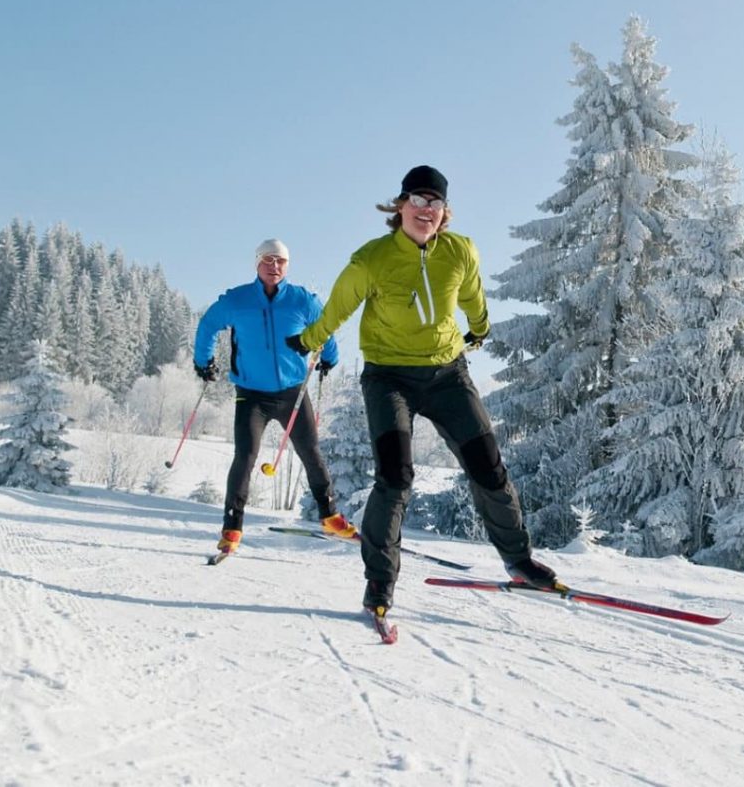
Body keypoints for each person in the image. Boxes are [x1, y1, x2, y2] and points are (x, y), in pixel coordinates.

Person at [288, 166, 557, 613]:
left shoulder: (460, 251)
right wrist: (311, 339)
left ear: (444, 212)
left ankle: (518, 560)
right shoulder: (372, 259)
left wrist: (480, 328)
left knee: (488, 467)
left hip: (447, 375)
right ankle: (379, 583)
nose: (425, 210)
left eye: (434, 202)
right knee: (395, 480)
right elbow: (340, 305)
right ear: (400, 206)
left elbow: (471, 295)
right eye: (417, 199)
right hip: (388, 378)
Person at [193, 238, 356, 556]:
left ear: (287, 265)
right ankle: (232, 528)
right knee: (245, 457)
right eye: (268, 260)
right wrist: (204, 360)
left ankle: (330, 516)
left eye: (280, 261)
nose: (274, 266)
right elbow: (208, 324)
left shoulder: (302, 300)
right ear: (257, 263)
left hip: (292, 393)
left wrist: (330, 357)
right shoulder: (237, 300)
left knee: (311, 453)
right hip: (251, 395)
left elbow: (325, 327)